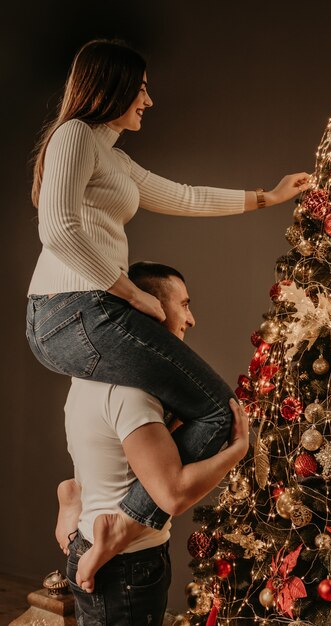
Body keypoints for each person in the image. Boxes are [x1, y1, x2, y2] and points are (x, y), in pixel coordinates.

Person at [25, 38, 309, 580]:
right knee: (219, 412)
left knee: (191, 409)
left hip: (86, 312)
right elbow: (58, 229)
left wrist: (266, 198)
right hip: (70, 310)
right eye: (142, 88)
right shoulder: (73, 137)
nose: (148, 101)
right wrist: (130, 292)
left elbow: (185, 196)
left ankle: (86, 517)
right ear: (109, 87)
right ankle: (120, 524)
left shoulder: (112, 156)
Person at [58, 261, 250, 624]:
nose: (191, 319)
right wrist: (236, 450)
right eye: (184, 304)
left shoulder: (86, 374)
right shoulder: (132, 395)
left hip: (88, 539)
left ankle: (74, 496)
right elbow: (173, 494)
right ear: (151, 308)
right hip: (127, 566)